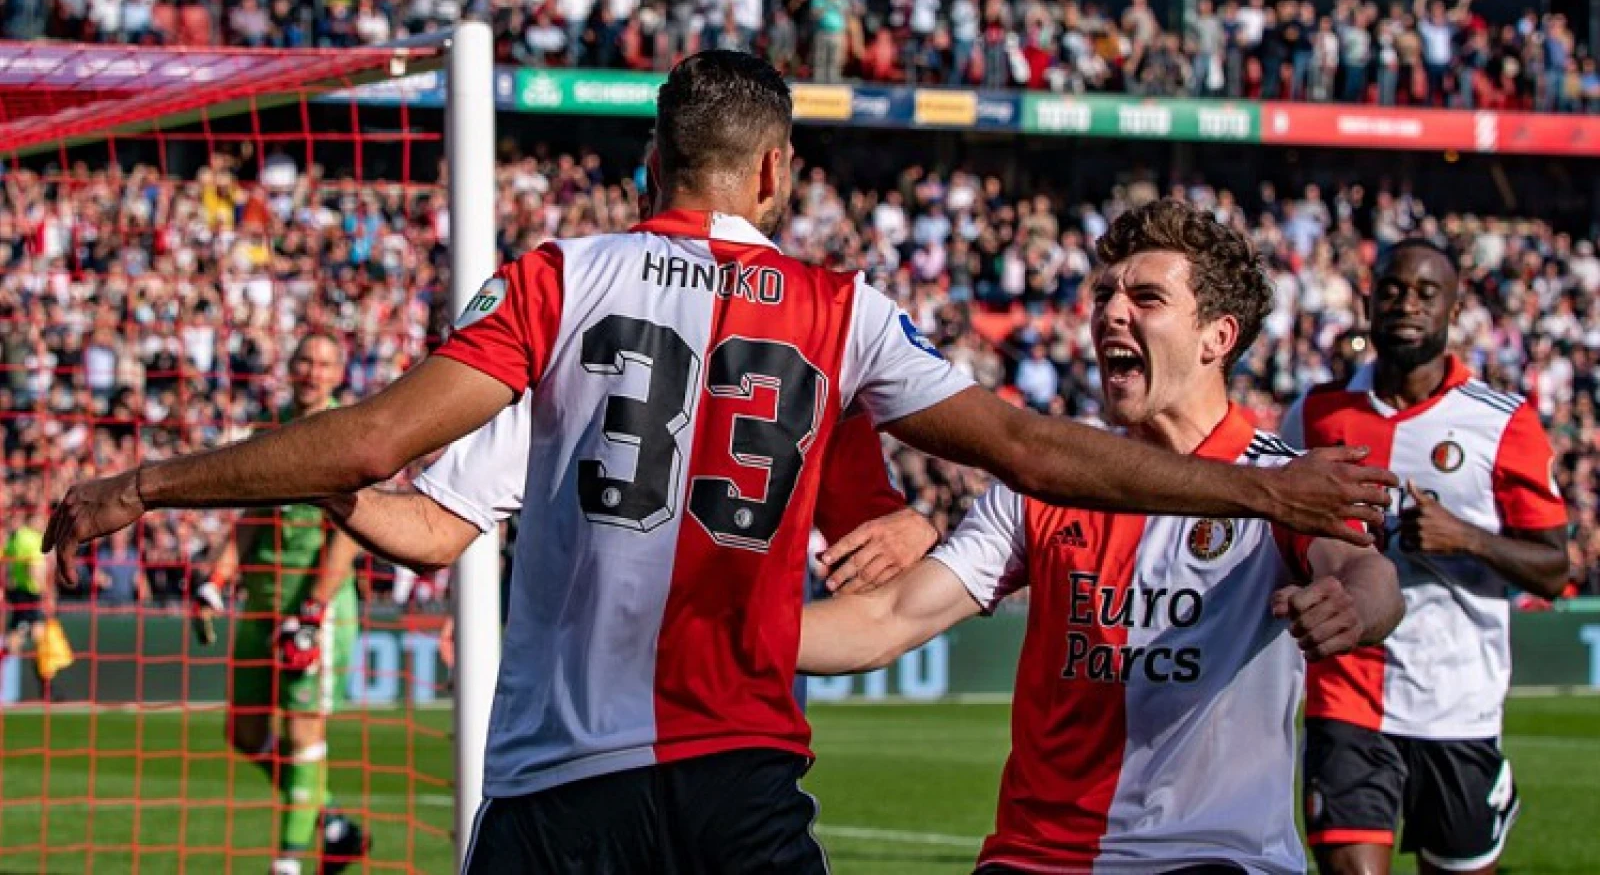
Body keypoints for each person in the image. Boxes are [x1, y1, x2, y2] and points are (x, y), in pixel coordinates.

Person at [45, 51, 1394, 873]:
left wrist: (149, 481)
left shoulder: (559, 280)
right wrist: (1260, 487)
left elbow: (385, 451)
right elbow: (1038, 450)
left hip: (560, 787)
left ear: (652, 161)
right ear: (774, 172)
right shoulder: (840, 309)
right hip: (736, 771)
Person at [794, 199, 1403, 874]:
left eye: (1146, 297)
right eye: (1105, 294)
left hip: (1210, 857)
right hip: (1036, 858)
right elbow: (888, 618)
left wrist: (1353, 606)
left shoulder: (1277, 482)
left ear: (1217, 338)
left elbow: (1368, 576)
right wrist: (721, 643)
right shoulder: (1046, 485)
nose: (1111, 313)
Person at [1282, 238, 1571, 875]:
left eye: (1425, 292)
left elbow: (1555, 567)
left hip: (1458, 702)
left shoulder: (1502, 422)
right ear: (1368, 300)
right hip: (1347, 695)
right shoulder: (1314, 414)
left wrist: (1464, 536)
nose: (1406, 303)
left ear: (1453, 307)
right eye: (1391, 289)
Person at [190, 334, 371, 875]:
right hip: (260, 604)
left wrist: (312, 613)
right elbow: (249, 516)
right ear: (290, 367)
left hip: (316, 608)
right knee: (244, 733)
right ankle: (332, 821)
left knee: (302, 733)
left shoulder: (347, 432)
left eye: (324, 362)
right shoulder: (270, 429)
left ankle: (289, 860)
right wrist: (216, 580)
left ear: (339, 373)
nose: (312, 370)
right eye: (304, 360)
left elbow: (349, 531)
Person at [4, 503, 55, 700]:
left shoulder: (15, 538)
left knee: (38, 638)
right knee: (19, 641)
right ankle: (46, 688)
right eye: (42, 519)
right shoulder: (31, 539)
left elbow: (7, 566)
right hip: (30, 595)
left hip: (18, 593)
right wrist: (45, 595)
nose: (45, 523)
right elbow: (33, 569)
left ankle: (47, 687)